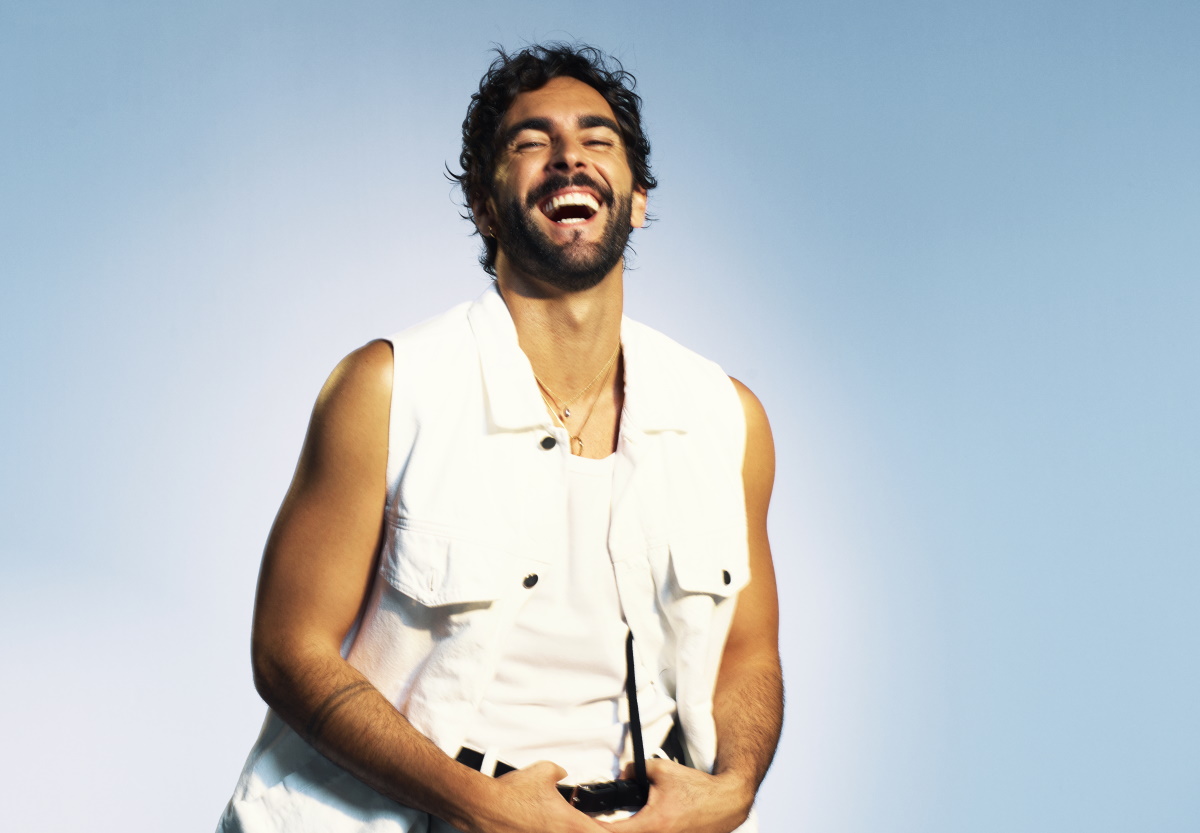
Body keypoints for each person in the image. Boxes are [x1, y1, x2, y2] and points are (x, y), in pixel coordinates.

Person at [217, 43, 782, 833]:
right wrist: (477, 803)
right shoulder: (387, 389)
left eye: (597, 139)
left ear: (637, 200)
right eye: (531, 142)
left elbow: (747, 653)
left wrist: (737, 784)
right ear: (486, 208)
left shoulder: (725, 418)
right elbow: (288, 649)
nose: (569, 157)